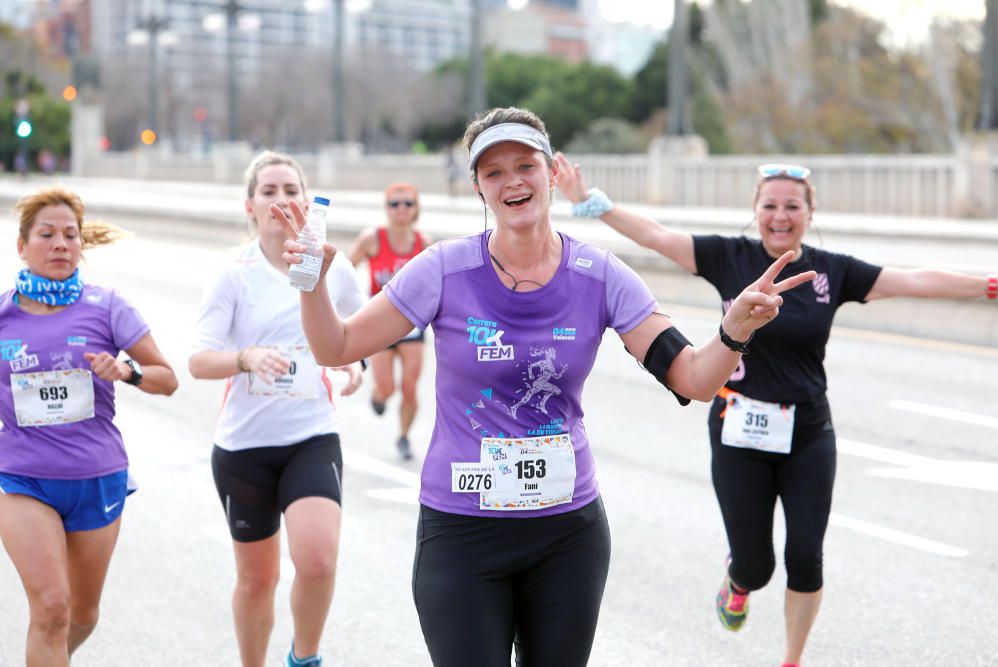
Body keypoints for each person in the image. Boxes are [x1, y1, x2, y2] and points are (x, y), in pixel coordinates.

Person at [274, 106, 816, 667]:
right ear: (479, 188)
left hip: (566, 536)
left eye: (525, 165)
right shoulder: (442, 269)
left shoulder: (601, 276)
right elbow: (335, 348)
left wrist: (733, 332)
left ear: (552, 174)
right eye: (493, 172)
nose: (512, 181)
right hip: (463, 533)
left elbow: (694, 378)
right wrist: (310, 282)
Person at [555, 155, 997, 667]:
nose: (780, 216)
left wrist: (989, 284)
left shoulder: (831, 271)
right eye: (770, 205)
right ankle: (738, 580)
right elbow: (655, 236)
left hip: (808, 431)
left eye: (793, 206)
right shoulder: (728, 257)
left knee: (806, 557)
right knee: (757, 565)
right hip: (739, 430)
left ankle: (792, 658)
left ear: (811, 211)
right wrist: (590, 201)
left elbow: (915, 281)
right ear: (755, 209)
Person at [188, 151, 366, 667]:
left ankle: (303, 657)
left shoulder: (334, 268)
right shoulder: (232, 274)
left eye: (291, 190)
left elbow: (362, 332)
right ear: (251, 205)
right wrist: (244, 358)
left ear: (307, 202)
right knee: (257, 579)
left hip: (311, 434)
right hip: (244, 448)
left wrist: (355, 366)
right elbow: (198, 361)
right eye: (269, 191)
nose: (281, 200)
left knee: (316, 561)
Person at [0, 186, 178, 666]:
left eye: (70, 235)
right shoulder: (2, 314)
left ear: (81, 245)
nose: (60, 243)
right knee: (52, 607)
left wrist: (128, 372)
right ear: (22, 246)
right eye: (47, 234)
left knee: (81, 614)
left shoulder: (107, 306)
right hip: (21, 478)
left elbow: (168, 380)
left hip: (96, 477)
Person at [347, 182, 431, 460]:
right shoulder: (372, 239)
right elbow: (345, 271)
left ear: (416, 208)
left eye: (407, 203)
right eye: (395, 204)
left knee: (410, 385)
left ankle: (404, 436)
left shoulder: (424, 244)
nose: (401, 209)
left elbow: (438, 283)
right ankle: (378, 395)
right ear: (386, 208)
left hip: (412, 324)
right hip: (380, 323)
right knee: (388, 387)